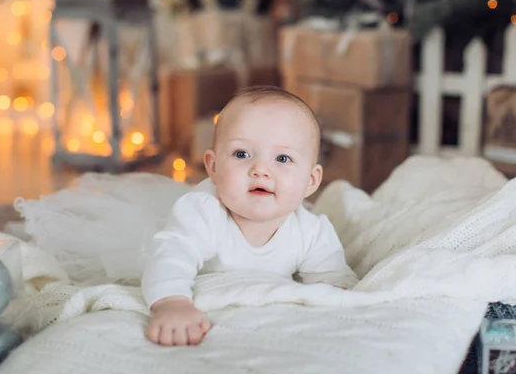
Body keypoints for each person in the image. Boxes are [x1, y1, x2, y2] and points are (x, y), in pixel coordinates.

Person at [141, 85, 358, 347]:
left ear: (311, 181)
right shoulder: (202, 211)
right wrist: (171, 302)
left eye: (282, 158)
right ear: (213, 166)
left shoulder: (312, 231)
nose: (260, 169)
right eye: (241, 154)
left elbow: (334, 281)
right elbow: (172, 254)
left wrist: (334, 292)